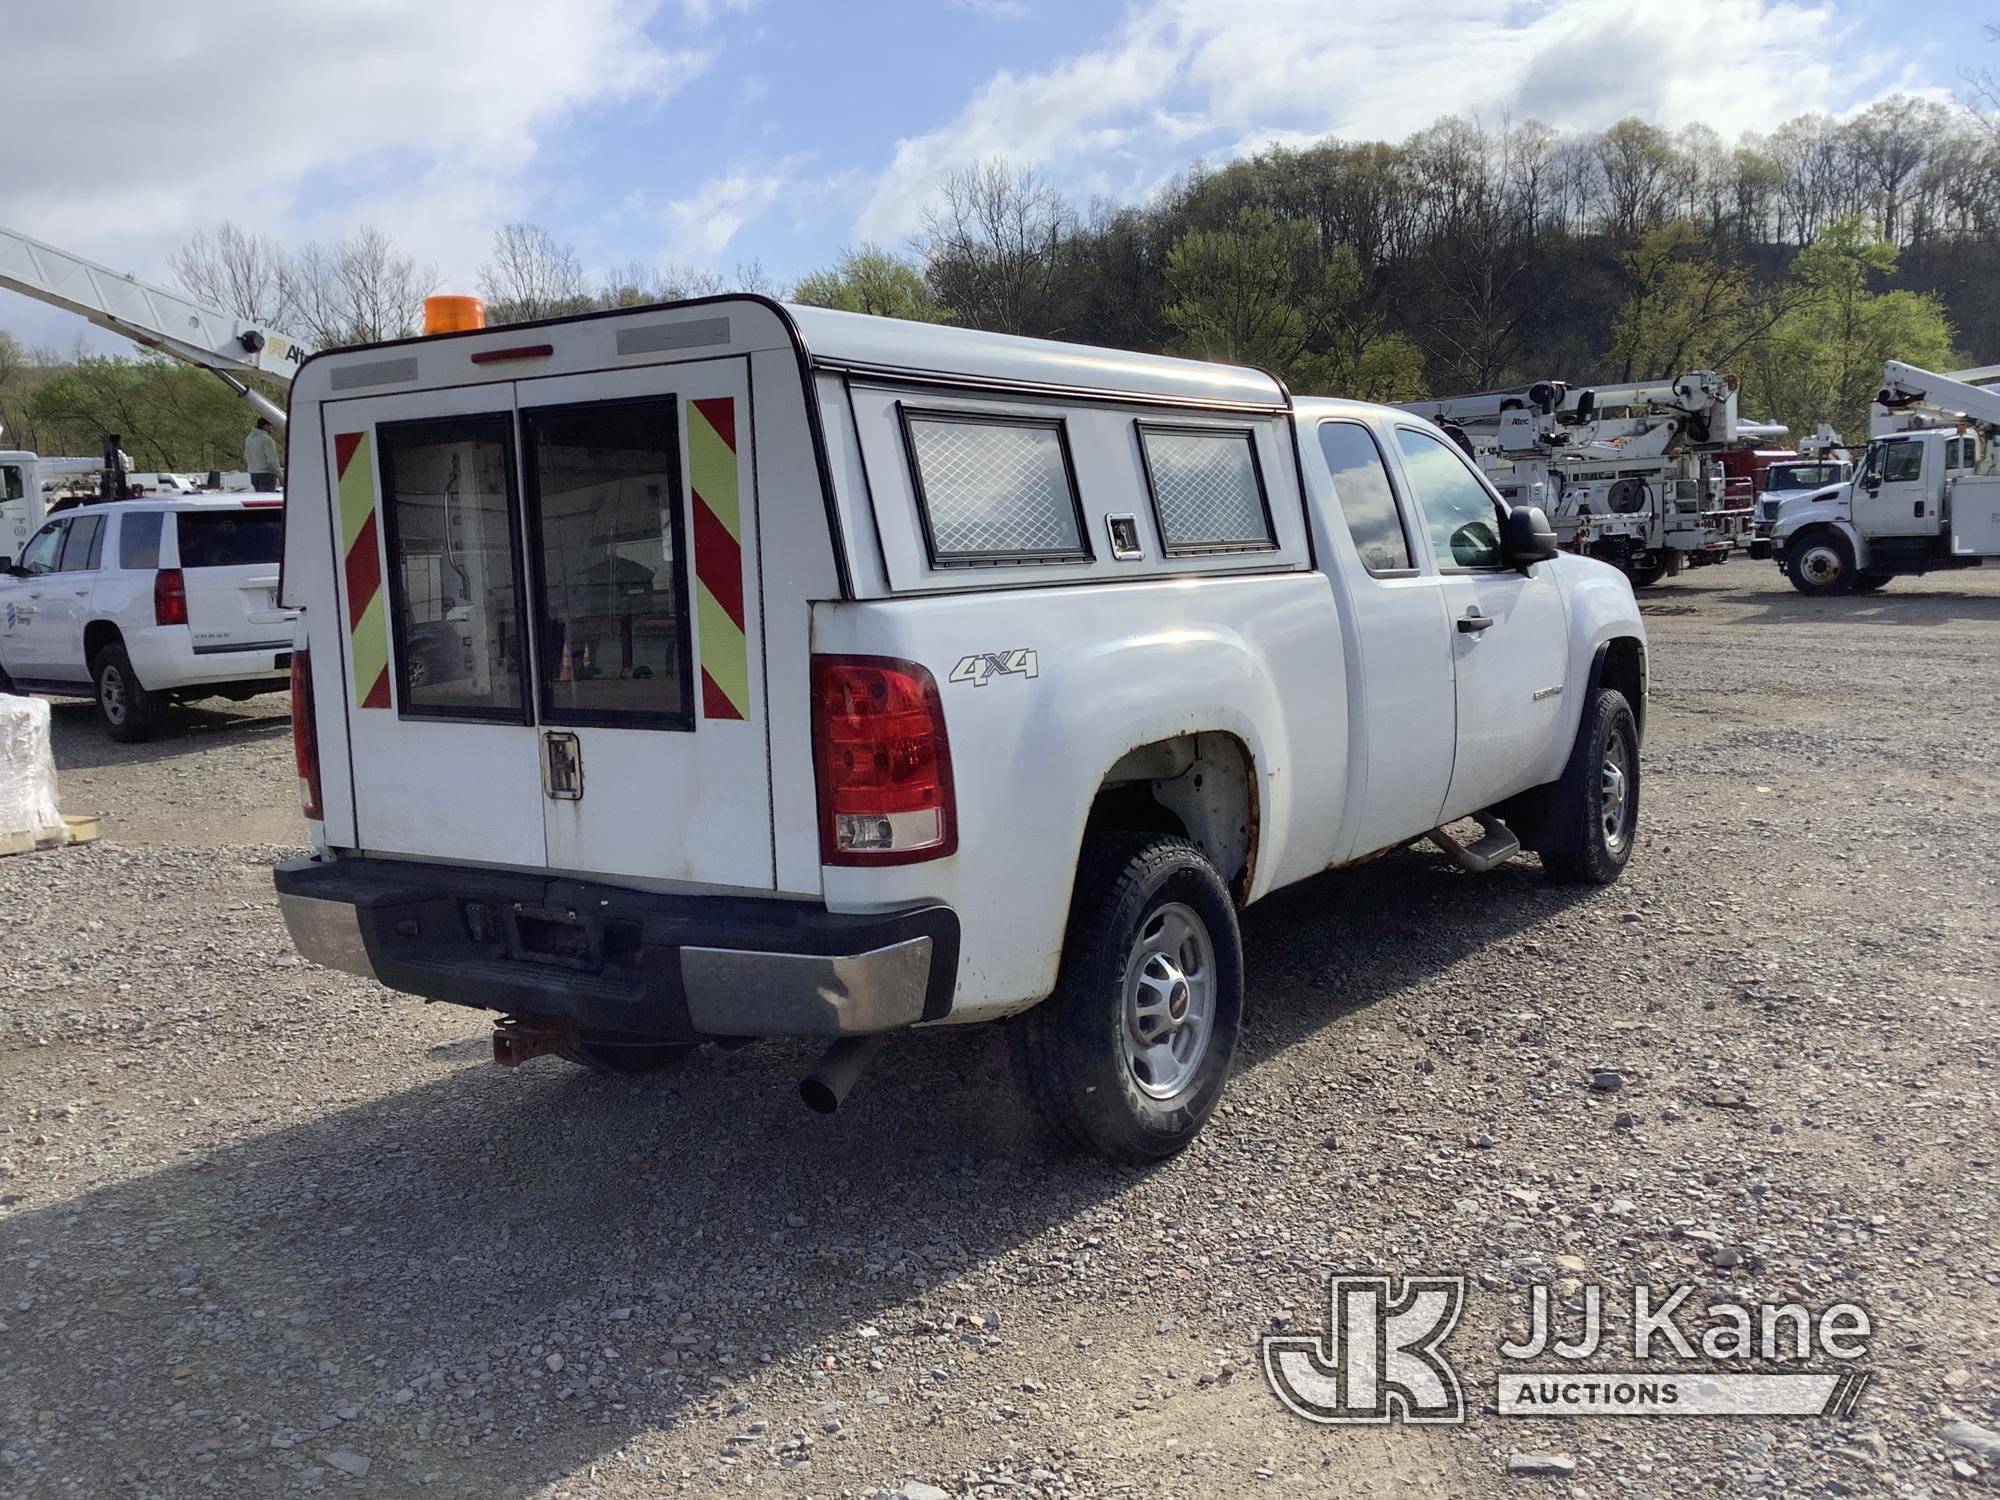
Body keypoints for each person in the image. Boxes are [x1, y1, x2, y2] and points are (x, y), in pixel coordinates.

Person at [245, 418, 282, 492]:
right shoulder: (267, 439)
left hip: (254, 473)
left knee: (259, 499)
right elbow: (272, 459)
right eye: (270, 426)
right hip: (266, 474)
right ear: (265, 426)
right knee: (267, 499)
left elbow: (246, 455)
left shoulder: (249, 439)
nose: (271, 429)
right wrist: (280, 474)